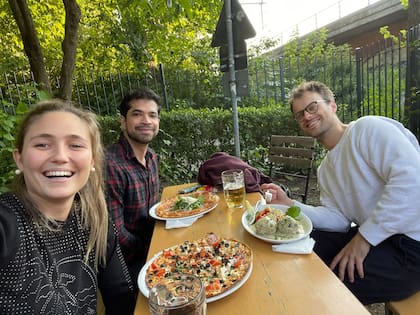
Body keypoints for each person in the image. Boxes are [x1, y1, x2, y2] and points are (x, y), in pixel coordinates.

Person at [261, 80, 420, 305]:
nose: (306, 116)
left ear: (332, 105)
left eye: (312, 107)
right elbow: (338, 219)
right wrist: (289, 204)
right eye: (299, 114)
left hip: (412, 246)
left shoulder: (367, 129)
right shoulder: (325, 169)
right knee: (297, 245)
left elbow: (413, 181)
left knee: (325, 283)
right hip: (379, 239)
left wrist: (364, 239)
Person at [0, 99, 136, 314]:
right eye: (42, 144)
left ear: (92, 160)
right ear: (20, 159)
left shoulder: (96, 221)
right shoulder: (6, 225)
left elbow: (122, 296)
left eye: (75, 145)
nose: (60, 157)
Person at [105, 87, 160, 286]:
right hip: (124, 264)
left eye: (152, 115)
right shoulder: (110, 165)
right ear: (123, 121)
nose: (146, 120)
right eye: (137, 114)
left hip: (151, 246)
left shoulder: (151, 157)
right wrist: (154, 246)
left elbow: (154, 211)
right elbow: (114, 234)